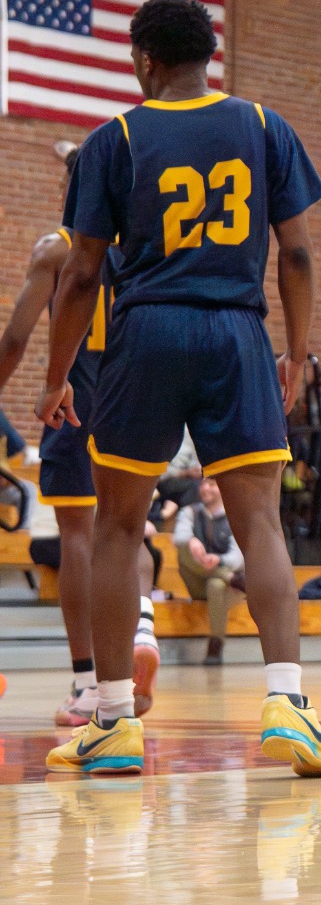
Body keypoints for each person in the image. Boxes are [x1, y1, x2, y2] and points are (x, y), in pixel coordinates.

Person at [37, 0, 321, 778]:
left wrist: (59, 372)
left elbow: (79, 275)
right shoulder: (265, 126)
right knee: (261, 524)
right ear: (209, 52)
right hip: (238, 332)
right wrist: (298, 352)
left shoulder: (118, 138)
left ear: (144, 58)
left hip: (148, 333)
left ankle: (110, 720)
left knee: (115, 525)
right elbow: (299, 255)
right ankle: (290, 706)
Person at [0, 144, 159, 727]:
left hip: (75, 400)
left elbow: (15, 340)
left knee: (78, 536)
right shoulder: (143, 250)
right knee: (128, 525)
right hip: (136, 401)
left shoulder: (58, 249)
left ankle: (89, 682)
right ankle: (142, 627)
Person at [174, 477, 244, 664]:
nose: (205, 488)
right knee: (184, 549)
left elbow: (237, 558)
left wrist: (218, 560)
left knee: (215, 585)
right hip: (198, 582)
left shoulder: (234, 516)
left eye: (212, 484)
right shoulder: (189, 512)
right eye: (203, 483)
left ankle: (216, 644)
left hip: (223, 589)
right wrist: (191, 541)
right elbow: (179, 538)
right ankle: (229, 578)